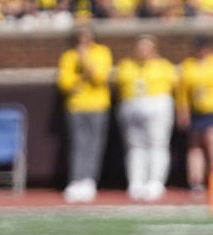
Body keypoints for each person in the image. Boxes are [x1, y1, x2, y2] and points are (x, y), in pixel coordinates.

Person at [176, 35, 213, 210]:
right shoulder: (187, 65)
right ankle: (196, 182)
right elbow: (182, 92)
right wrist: (183, 112)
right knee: (195, 146)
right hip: (196, 111)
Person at [115, 34, 178, 201]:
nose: (143, 51)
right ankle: (136, 183)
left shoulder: (164, 66)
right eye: (140, 47)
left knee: (157, 144)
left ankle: (155, 182)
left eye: (147, 47)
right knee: (135, 147)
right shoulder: (127, 65)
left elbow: (173, 86)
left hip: (157, 105)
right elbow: (120, 84)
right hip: (132, 106)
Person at [56, 25, 113, 203]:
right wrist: (79, 80)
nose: (83, 39)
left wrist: (85, 60)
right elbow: (64, 84)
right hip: (76, 106)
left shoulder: (102, 52)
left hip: (97, 105)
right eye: (80, 36)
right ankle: (76, 180)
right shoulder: (68, 56)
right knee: (78, 144)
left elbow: (99, 78)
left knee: (94, 144)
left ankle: (89, 180)